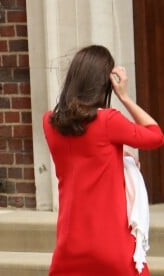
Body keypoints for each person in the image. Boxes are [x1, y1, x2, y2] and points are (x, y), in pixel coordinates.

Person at [42, 45, 164, 276]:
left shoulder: (49, 122)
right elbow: (156, 135)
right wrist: (125, 96)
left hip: (69, 240)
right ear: (105, 83)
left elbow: (83, 154)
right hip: (109, 239)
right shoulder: (108, 120)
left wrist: (117, 153)